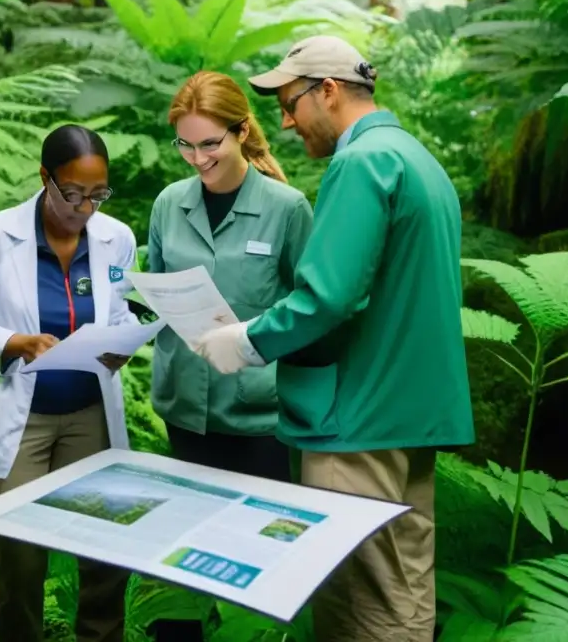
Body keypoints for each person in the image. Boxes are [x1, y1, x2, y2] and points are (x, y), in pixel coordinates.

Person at [193, 36, 475, 642]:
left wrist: (244, 341)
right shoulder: (418, 160)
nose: (287, 121)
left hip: (357, 423)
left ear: (329, 91)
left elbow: (328, 296)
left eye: (291, 103)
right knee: (403, 589)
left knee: (358, 603)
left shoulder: (361, 162)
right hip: (410, 414)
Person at [0, 124, 139, 642]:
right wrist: (18, 343)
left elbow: (127, 311)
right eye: (73, 193)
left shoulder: (116, 238)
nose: (85, 207)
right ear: (45, 177)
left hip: (90, 413)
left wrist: (124, 342)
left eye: (98, 194)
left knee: (104, 545)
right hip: (22, 416)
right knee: (18, 553)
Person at [146, 71, 313, 642]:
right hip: (185, 407)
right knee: (187, 551)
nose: (197, 158)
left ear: (242, 132)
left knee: (260, 556)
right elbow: (157, 287)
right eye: (186, 145)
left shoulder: (288, 209)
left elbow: (309, 307)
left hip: (257, 416)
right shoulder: (170, 203)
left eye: (210, 144)